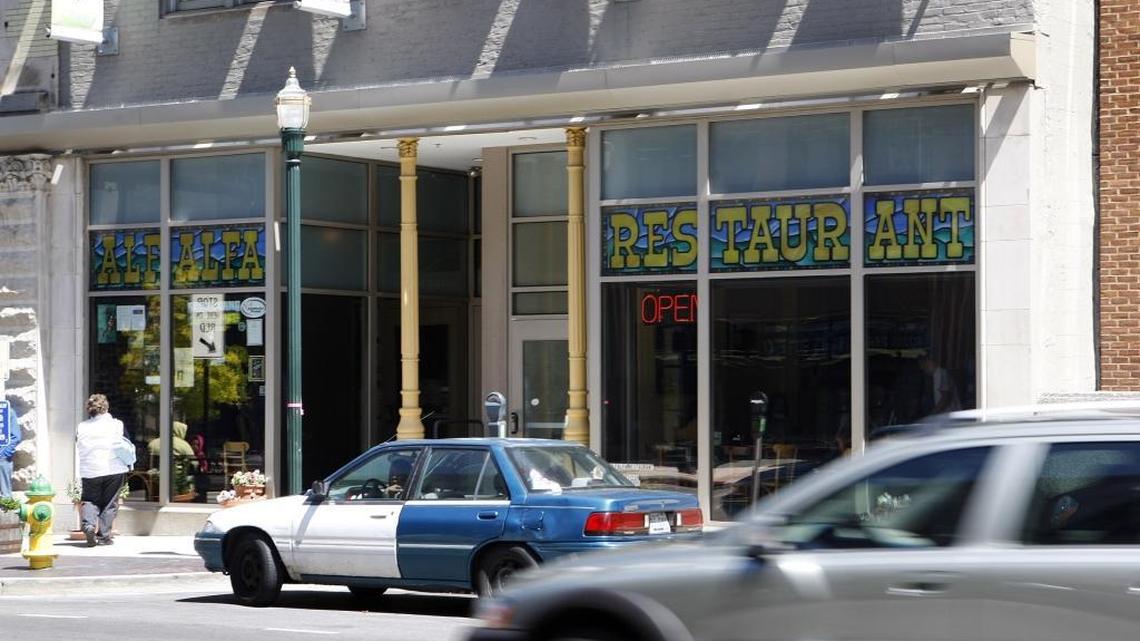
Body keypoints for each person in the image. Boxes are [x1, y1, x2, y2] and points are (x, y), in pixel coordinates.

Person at [76, 393, 130, 547]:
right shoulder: (117, 424)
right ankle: (104, 537)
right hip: (114, 469)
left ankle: (88, 525)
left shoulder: (81, 426)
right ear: (106, 408)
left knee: (90, 499)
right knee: (110, 503)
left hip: (89, 469)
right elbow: (127, 443)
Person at [0, 401, 20, 497]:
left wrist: (3, 454)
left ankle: (6, 506)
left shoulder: (7, 412)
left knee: (5, 493)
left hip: (2, 457)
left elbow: (15, 437)